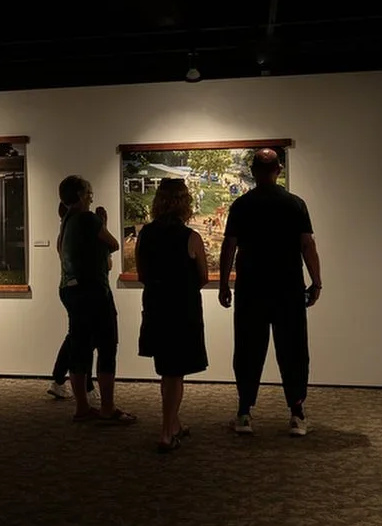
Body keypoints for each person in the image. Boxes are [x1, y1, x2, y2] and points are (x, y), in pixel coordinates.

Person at [218, 149, 321, 437]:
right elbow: (307, 245)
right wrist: (316, 282)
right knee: (293, 350)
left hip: (251, 288)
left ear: (253, 171)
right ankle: (297, 413)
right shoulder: (295, 204)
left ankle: (244, 413)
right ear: (278, 170)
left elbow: (229, 246)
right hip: (288, 288)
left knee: (248, 349)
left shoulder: (242, 205)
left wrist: (224, 283)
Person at [135, 179, 209, 452]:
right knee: (175, 373)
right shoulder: (191, 237)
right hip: (182, 308)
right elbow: (203, 276)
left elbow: (142, 274)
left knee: (167, 369)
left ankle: (174, 423)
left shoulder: (145, 234)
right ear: (184, 203)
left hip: (156, 306)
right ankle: (166, 432)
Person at [58, 175, 136, 425]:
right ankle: (107, 407)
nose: (91, 197)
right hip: (94, 290)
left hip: (70, 290)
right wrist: (103, 222)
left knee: (79, 347)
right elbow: (113, 244)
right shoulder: (88, 218)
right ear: (80, 195)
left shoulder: (66, 221)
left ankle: (82, 407)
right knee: (106, 345)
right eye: (89, 192)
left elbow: (63, 251)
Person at [48, 201, 99, 407]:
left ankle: (62, 379)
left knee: (77, 335)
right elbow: (109, 252)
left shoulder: (64, 235)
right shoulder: (74, 234)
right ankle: (82, 384)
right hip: (82, 289)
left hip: (71, 288)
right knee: (83, 337)